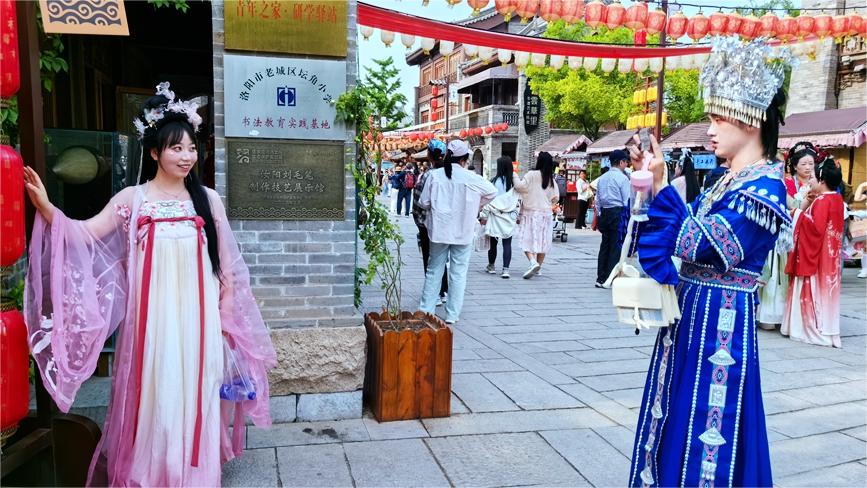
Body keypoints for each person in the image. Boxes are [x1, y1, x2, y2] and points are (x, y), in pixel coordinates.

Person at [22, 83, 276, 486]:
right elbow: (87, 236)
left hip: (199, 319)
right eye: (176, 149)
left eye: (191, 148)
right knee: (158, 393)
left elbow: (228, 264)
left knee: (197, 388)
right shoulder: (133, 199)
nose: (186, 156)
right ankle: (154, 473)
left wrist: (227, 312)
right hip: (152, 322)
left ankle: (195, 474)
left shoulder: (208, 199)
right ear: (155, 152)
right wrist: (48, 208)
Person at [630, 37, 793, 487]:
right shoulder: (724, 182)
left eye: (720, 117)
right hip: (693, 313)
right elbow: (682, 235)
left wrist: (662, 189)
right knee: (678, 413)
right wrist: (658, 185)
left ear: (753, 118)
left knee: (708, 424)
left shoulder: (765, 189)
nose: (711, 129)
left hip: (721, 319)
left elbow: (696, 242)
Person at [418, 140, 497, 324]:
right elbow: (492, 192)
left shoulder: (434, 176)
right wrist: (475, 206)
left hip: (439, 230)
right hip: (463, 230)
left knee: (434, 270)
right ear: (464, 159)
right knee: (458, 272)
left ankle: (426, 310)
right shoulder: (472, 178)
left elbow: (423, 203)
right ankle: (452, 314)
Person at [781, 158, 845, 347]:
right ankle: (829, 330)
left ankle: (813, 329)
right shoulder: (836, 198)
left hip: (817, 257)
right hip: (830, 255)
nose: (810, 181)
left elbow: (814, 229)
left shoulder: (823, 201)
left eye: (813, 178)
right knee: (828, 292)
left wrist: (797, 214)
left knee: (813, 290)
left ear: (822, 181)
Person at [757, 142, 816, 330]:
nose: (808, 168)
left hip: (800, 234)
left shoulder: (815, 181)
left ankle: (783, 314)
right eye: (804, 164)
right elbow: (792, 206)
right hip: (781, 234)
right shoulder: (785, 184)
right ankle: (770, 314)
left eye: (811, 164)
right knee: (776, 274)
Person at [513, 151, 560, 279]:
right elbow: (556, 198)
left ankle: (533, 262)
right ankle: (538, 267)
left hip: (530, 212)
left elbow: (519, 187)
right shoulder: (550, 178)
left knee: (526, 239)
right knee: (543, 241)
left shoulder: (532, 174)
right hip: (546, 214)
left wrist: (514, 175)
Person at [413, 140, 449, 305]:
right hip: (447, 224)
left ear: (429, 155)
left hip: (428, 224)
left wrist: (419, 223)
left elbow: (418, 202)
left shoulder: (427, 175)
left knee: (430, 259)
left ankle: (434, 294)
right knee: (444, 258)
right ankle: (444, 291)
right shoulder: (452, 174)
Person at [594, 150, 631, 287]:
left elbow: (597, 200)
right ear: (621, 162)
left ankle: (600, 277)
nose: (626, 164)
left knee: (605, 244)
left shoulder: (602, 178)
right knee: (616, 246)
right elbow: (627, 200)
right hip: (617, 212)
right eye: (626, 162)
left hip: (604, 212)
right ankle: (611, 277)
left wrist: (599, 215)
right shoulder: (623, 178)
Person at [481, 156, 520, 278]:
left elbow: (489, 200)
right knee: (507, 243)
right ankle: (505, 270)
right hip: (509, 217)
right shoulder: (514, 184)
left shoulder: (494, 181)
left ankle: (491, 266)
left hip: (495, 216)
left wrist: (484, 215)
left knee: (493, 243)